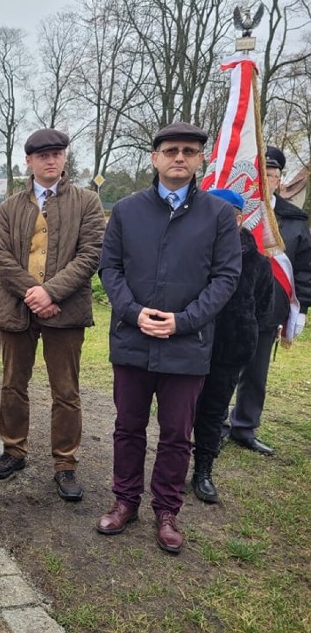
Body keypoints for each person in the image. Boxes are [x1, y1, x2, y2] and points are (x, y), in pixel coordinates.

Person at [96, 122, 241, 553]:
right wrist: (135, 312)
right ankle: (125, 501)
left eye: (189, 151)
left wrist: (183, 321)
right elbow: (111, 269)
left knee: (177, 434)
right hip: (133, 341)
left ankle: (167, 510)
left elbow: (226, 277)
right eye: (171, 150)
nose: (180, 157)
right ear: (154, 157)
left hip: (187, 346)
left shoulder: (217, 216)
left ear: (201, 160)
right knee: (128, 428)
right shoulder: (126, 211)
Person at [0, 128, 105, 502]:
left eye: (57, 153)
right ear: (29, 161)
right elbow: (1, 258)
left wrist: (51, 292)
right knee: (12, 385)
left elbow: (92, 254)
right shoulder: (9, 207)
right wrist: (32, 293)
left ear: (65, 158)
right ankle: (13, 450)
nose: (50, 160)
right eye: (42, 155)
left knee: (66, 391)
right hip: (17, 309)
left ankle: (65, 463)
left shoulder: (87, 202)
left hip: (65, 310)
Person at [223, 145, 311, 455]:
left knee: (257, 371)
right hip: (229, 304)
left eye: (271, 175)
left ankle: (244, 426)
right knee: (222, 365)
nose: (267, 180)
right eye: (262, 175)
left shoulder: (294, 219)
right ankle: (216, 420)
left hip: (269, 306)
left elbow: (303, 269)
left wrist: (300, 311)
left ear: (278, 179)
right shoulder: (234, 212)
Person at [191, 189, 274, 503]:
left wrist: (242, 331)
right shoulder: (192, 252)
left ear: (240, 218)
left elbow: (263, 307)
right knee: (183, 409)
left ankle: (203, 470)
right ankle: (172, 463)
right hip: (189, 342)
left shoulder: (256, 262)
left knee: (213, 412)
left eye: (229, 215)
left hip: (229, 349)